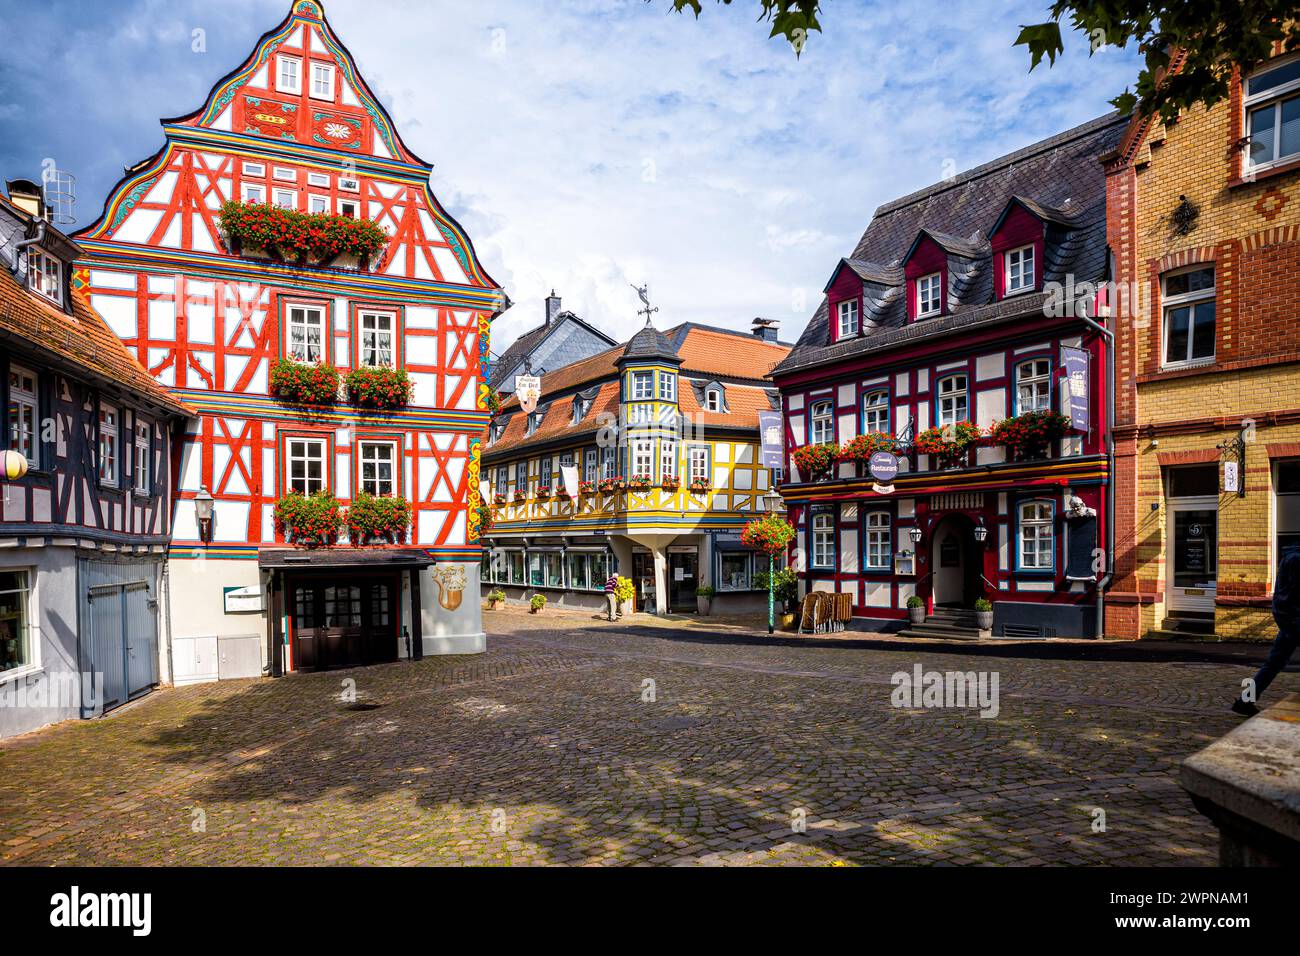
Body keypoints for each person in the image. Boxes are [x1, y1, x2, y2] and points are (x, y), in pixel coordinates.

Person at [1233, 543, 1300, 717]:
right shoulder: (1296, 559)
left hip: (1288, 618)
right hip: (1294, 619)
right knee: (1274, 663)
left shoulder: (1291, 556)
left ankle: (1245, 701)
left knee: (1274, 663)